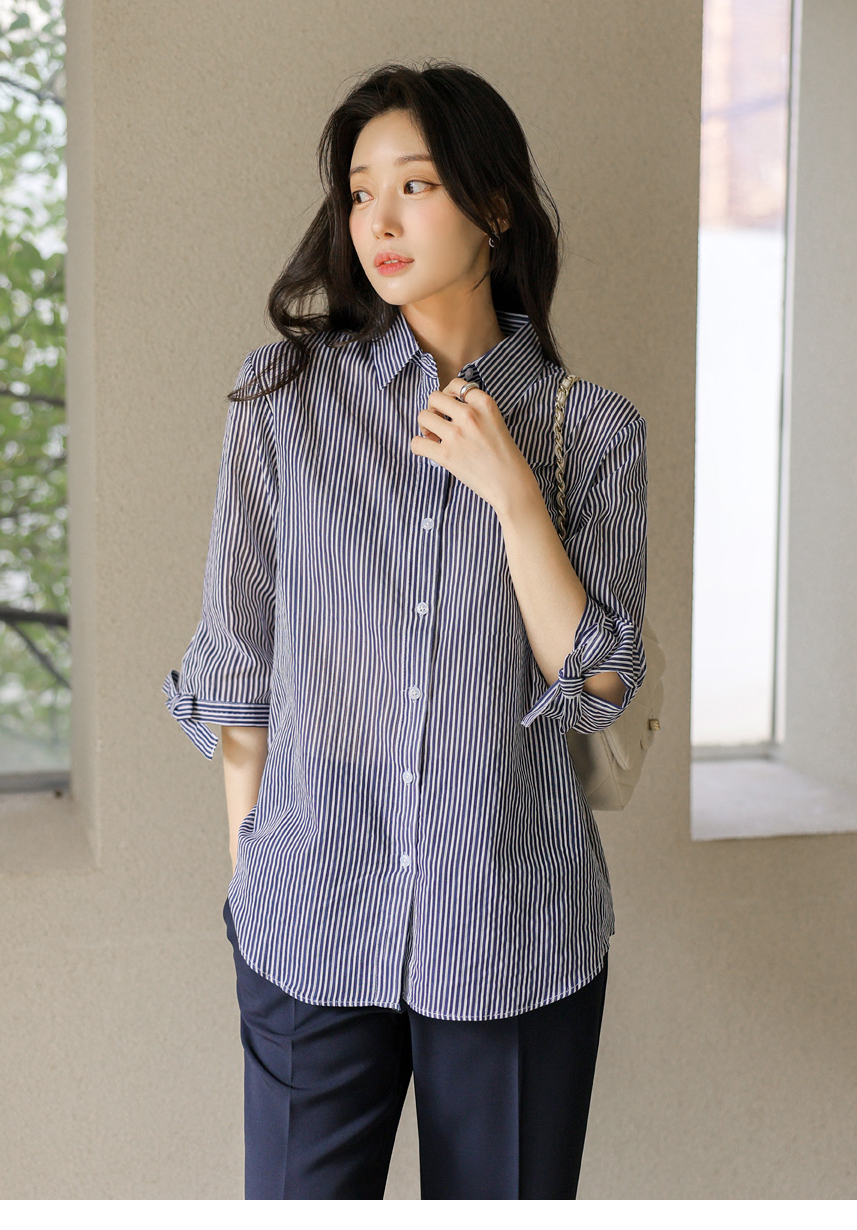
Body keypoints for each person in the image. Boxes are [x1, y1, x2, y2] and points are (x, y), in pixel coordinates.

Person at [162, 59, 648, 1200]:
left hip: (513, 930)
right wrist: (254, 872)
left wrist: (513, 495)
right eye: (359, 191)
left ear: (495, 206)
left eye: (414, 185)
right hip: (306, 926)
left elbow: (597, 684)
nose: (376, 220)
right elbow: (237, 664)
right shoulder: (282, 398)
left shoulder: (591, 431)